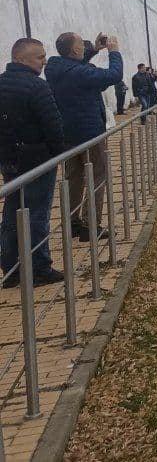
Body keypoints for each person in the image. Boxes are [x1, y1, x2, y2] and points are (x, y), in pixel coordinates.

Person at [0, 38, 66, 287]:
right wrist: (58, 154)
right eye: (39, 56)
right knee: (37, 214)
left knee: (11, 213)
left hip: (9, 161)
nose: (44, 61)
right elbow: (53, 126)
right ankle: (39, 266)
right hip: (38, 161)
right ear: (20, 59)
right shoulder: (37, 87)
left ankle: (10, 268)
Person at [45, 32, 122, 242]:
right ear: (75, 50)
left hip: (67, 134)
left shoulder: (54, 68)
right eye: (81, 44)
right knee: (98, 174)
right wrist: (114, 52)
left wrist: (94, 50)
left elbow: (74, 67)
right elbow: (114, 76)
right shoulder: (82, 73)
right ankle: (90, 224)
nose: (84, 46)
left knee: (74, 177)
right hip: (89, 133)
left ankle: (73, 222)